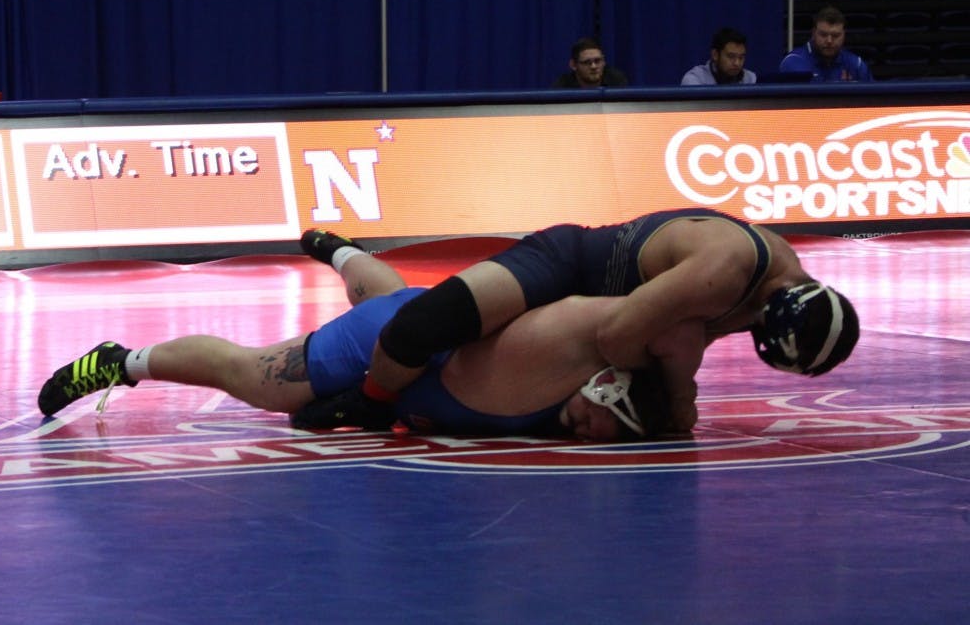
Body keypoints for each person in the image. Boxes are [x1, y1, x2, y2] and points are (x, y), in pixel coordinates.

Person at [36, 235, 679, 442]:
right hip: (396, 342)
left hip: (421, 329)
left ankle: (343, 252)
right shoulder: (586, 333)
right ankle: (122, 362)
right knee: (258, 380)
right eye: (606, 424)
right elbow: (667, 315)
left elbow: (685, 408)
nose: (594, 438)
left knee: (393, 295)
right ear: (608, 383)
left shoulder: (601, 394)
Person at [302, 208, 860, 431]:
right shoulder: (728, 269)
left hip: (599, 314)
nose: (751, 330)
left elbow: (673, 334)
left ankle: (347, 255)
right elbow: (622, 337)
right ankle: (371, 403)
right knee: (420, 326)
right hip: (566, 265)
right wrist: (678, 395)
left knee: (394, 309)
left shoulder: (783, 294)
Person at [779, 5, 873, 83]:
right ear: (813, 33)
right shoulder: (794, 62)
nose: (829, 41)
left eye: (835, 35)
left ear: (844, 35)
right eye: (823, 35)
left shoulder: (856, 65)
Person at [681, 27, 757, 85]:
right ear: (715, 55)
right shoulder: (695, 79)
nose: (737, 63)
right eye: (731, 56)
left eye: (741, 57)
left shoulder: (750, 79)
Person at [551, 37, 628, 89]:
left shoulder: (616, 81)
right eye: (587, 62)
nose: (593, 66)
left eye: (597, 61)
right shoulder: (562, 87)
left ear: (604, 61)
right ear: (573, 65)